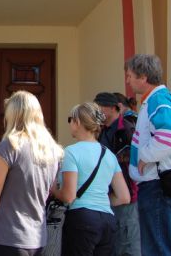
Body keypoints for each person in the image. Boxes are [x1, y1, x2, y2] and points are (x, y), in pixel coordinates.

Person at [0, 90, 63, 255]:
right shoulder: (52, 150)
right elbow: (47, 192)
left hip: (6, 237)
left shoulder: (9, 146)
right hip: (37, 239)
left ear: (12, 115)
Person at [125, 54, 171, 256]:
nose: (128, 80)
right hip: (160, 183)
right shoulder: (158, 99)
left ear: (143, 77)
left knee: (159, 248)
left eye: (130, 75)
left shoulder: (157, 99)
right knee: (168, 245)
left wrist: (145, 156)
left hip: (156, 185)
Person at [53, 102, 130, 256]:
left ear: (77, 122)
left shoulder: (71, 152)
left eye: (70, 120)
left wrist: (53, 189)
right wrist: (99, 199)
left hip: (81, 220)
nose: (69, 124)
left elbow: (69, 196)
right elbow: (124, 197)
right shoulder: (109, 154)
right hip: (107, 220)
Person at [94, 92, 140, 256]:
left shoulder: (126, 129)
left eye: (101, 107)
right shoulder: (102, 130)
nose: (98, 111)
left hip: (126, 195)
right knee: (114, 243)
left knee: (127, 243)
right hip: (109, 195)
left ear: (114, 108)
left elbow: (130, 162)